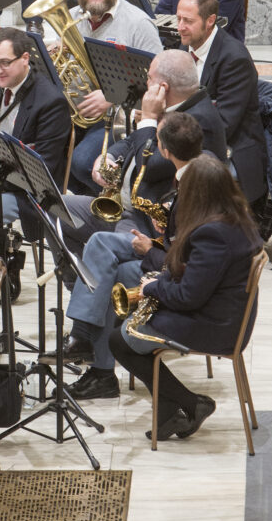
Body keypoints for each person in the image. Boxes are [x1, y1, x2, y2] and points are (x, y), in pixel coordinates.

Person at [110, 154, 262, 441]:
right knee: (128, 332)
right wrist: (163, 278)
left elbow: (188, 296)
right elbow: (197, 277)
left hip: (215, 326)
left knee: (121, 338)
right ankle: (170, 409)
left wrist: (151, 289)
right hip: (222, 313)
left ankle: (191, 404)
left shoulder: (213, 234)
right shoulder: (235, 218)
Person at [55, 113, 203, 400]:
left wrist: (151, 249)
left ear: (166, 150)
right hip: (162, 249)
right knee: (104, 261)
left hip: (170, 267)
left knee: (103, 255)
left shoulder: (197, 185)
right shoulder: (191, 173)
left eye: (156, 139)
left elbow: (189, 259)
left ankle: (88, 345)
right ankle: (98, 366)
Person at [64, 49, 227, 251]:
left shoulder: (197, 123)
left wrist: (149, 118)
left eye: (149, 79)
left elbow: (149, 167)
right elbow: (134, 139)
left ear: (163, 87)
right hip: (122, 208)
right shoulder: (177, 104)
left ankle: (98, 278)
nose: (145, 84)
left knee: (100, 247)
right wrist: (110, 156)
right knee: (56, 209)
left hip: (146, 227)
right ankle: (80, 279)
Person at [67, 0, 163, 193]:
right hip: (75, 113)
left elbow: (158, 82)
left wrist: (112, 96)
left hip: (119, 118)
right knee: (47, 151)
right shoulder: (70, 19)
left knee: (81, 161)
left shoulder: (138, 23)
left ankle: (121, 200)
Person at [175, 0, 266, 206]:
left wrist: (173, 144)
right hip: (195, 139)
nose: (180, 28)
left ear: (210, 20)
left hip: (232, 151)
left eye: (187, 21)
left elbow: (223, 126)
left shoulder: (234, 58)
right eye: (178, 19)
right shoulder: (185, 45)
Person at [0, 27, 71, 233]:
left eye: (5, 63)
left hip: (27, 193)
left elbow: (42, 171)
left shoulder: (51, 102)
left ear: (25, 58)